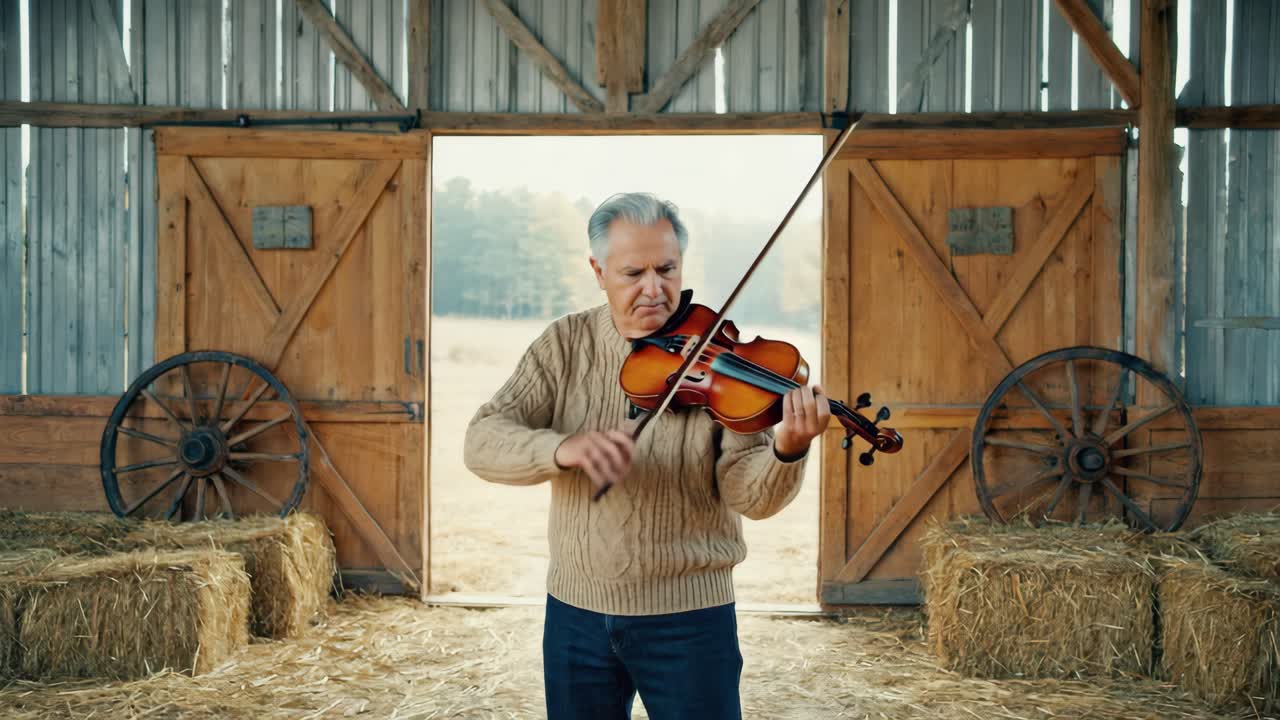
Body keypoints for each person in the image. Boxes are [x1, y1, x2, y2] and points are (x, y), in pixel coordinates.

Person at [463, 191, 829, 719]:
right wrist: (562, 448)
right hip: (575, 613)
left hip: (690, 619)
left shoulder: (717, 355)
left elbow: (750, 496)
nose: (655, 290)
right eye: (633, 272)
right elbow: (482, 441)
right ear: (598, 270)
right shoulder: (565, 344)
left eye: (667, 269)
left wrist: (788, 451)